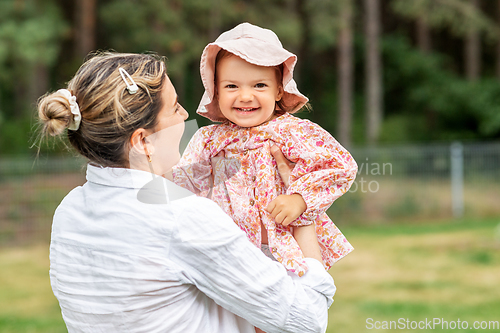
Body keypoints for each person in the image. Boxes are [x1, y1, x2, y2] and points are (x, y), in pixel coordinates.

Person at [37, 52, 337, 333]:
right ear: (143, 142)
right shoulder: (180, 217)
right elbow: (306, 319)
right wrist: (303, 207)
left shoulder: (70, 209)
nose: (185, 117)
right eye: (175, 108)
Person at [173, 23, 358, 278]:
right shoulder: (207, 140)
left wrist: (300, 198)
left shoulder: (293, 132)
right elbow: (183, 188)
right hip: (227, 251)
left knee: (293, 308)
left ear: (279, 89)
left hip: (284, 245)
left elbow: (340, 165)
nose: (245, 96)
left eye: (259, 85)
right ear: (215, 90)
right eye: (231, 86)